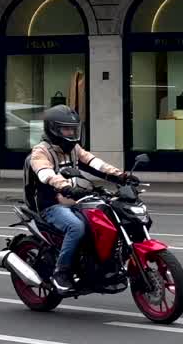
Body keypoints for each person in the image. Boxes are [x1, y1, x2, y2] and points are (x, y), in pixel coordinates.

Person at [26, 105, 134, 293]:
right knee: (76, 227)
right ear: (53, 129)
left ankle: (104, 266)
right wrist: (65, 186)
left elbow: (94, 163)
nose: (71, 133)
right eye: (66, 129)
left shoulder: (73, 148)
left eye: (73, 129)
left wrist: (120, 176)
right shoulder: (41, 152)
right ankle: (61, 273)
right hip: (51, 205)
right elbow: (45, 173)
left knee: (105, 218)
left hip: (74, 200)